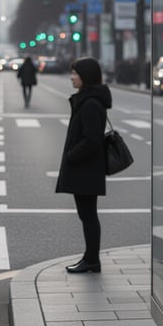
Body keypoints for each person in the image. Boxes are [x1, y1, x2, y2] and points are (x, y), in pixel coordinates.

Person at [56, 57, 111, 274]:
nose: (71, 77)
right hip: (87, 168)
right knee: (87, 215)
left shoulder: (89, 103)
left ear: (85, 76)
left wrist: (71, 156)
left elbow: (92, 139)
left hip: (86, 168)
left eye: (75, 73)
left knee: (88, 215)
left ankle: (92, 260)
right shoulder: (88, 100)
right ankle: (90, 258)